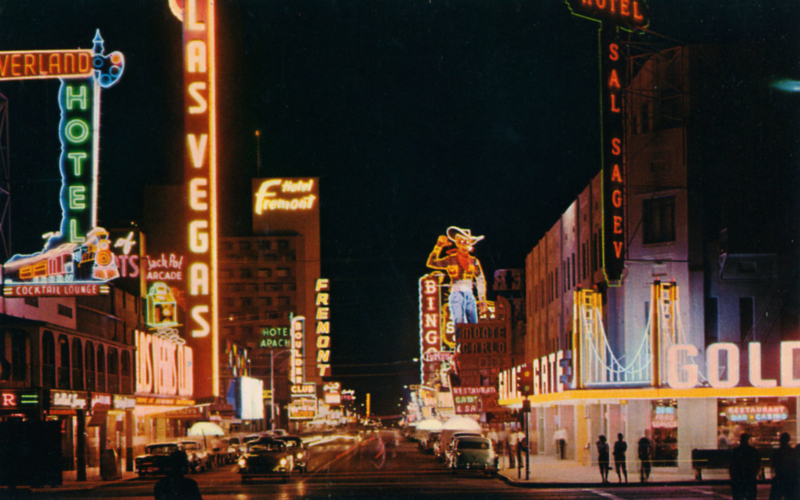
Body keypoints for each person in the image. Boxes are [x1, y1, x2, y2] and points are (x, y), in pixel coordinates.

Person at [427, 227, 488, 327]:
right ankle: (460, 341)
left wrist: (482, 300)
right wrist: (438, 246)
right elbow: (431, 262)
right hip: (456, 293)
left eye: (466, 242)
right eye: (461, 242)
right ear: (457, 243)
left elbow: (480, 280)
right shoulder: (450, 259)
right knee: (459, 322)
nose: (464, 245)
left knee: (473, 323)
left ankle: (472, 342)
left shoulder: (474, 261)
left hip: (469, 294)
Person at [729, 433, 761, 500]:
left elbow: (732, 465)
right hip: (750, 478)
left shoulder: (735, 451)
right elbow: (757, 464)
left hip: (738, 478)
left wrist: (733, 476)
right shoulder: (753, 451)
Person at [769, 433, 796, 500]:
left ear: (780, 440)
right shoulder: (792, 452)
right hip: (790, 479)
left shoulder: (776, 452)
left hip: (779, 478)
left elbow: (773, 465)